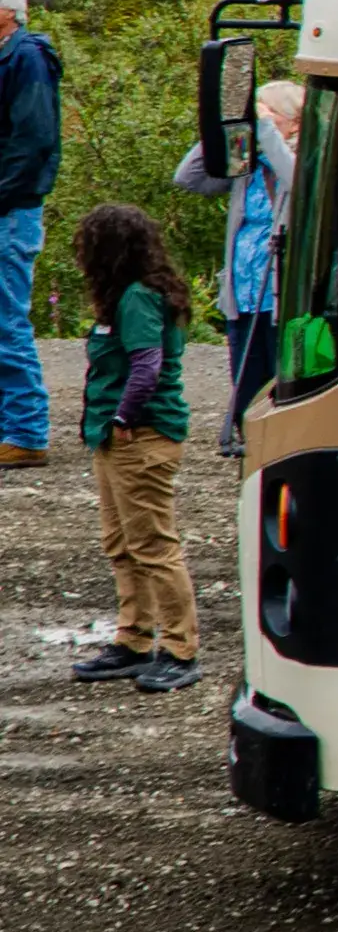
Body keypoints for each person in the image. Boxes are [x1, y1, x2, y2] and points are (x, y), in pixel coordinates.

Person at [66, 205, 202, 691]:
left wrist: (124, 417)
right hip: (113, 437)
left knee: (153, 546)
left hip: (139, 437)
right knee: (122, 544)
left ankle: (181, 650)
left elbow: (147, 365)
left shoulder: (139, 299)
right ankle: (133, 639)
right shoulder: (127, 296)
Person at [173, 78, 302, 458]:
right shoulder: (248, 162)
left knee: (282, 379)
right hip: (243, 291)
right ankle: (247, 440)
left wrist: (265, 131)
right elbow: (189, 178)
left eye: (269, 113)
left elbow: (298, 181)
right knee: (246, 378)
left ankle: (282, 446)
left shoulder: (306, 157)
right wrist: (220, 131)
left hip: (280, 295)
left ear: (294, 122)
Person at [0, 0, 57, 470]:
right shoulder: (11, 57)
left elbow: (34, 139)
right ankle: (13, 426)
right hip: (9, 206)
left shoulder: (27, 59)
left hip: (11, 211)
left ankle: (25, 431)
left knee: (6, 320)